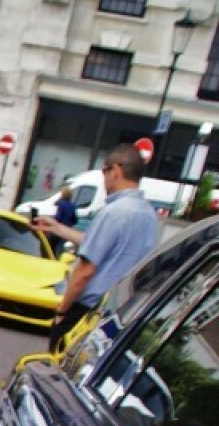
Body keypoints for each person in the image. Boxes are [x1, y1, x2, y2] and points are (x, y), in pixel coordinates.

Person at [31, 144, 158, 352]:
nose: (104, 179)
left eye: (104, 172)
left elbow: (84, 271)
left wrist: (62, 311)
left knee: (58, 367)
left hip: (85, 310)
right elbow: (101, 244)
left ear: (116, 170)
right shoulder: (148, 214)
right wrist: (58, 228)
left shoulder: (114, 211)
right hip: (117, 311)